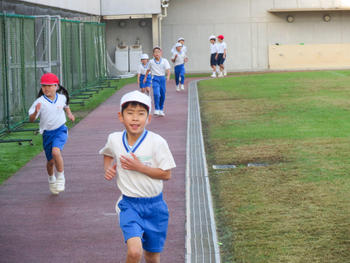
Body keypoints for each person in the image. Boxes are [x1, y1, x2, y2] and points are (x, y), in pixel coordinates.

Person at [99, 90, 176, 263]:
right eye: (130, 113)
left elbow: (167, 174)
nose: (135, 118)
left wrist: (139, 167)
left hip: (155, 206)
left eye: (141, 114)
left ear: (148, 118)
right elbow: (107, 153)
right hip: (129, 204)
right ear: (121, 116)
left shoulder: (157, 142)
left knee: (151, 257)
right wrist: (107, 168)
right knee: (134, 252)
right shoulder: (114, 139)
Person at [28, 72, 75, 195]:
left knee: (56, 152)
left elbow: (66, 105)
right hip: (47, 134)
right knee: (50, 162)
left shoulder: (61, 97)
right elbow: (31, 119)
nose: (46, 88)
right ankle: (51, 179)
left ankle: (61, 177)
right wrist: (35, 112)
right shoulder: (39, 102)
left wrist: (69, 114)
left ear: (56, 86)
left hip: (60, 130)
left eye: (49, 86)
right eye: (44, 86)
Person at [144, 47, 170, 117]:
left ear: (161, 53)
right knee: (156, 94)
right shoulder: (151, 62)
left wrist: (168, 76)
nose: (157, 53)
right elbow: (148, 70)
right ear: (153, 54)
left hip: (162, 79)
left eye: (158, 52)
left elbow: (168, 69)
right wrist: (145, 78)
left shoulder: (165, 61)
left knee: (162, 94)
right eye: (155, 52)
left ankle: (161, 109)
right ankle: (156, 109)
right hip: (155, 78)